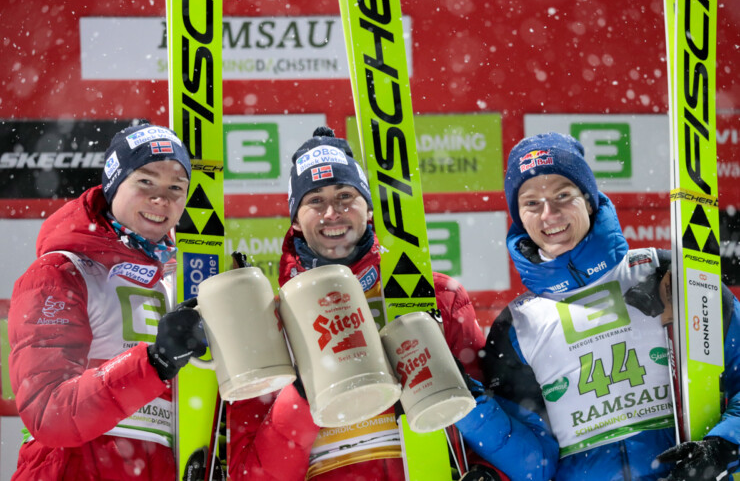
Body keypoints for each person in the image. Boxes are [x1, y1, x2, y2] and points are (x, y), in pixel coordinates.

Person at [454, 132, 740, 481]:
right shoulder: (517, 325)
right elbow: (535, 465)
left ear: (588, 200)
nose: (549, 213)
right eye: (531, 203)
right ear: (519, 216)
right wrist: (469, 409)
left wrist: (721, 447)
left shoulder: (667, 273)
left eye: (563, 195)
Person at [226, 126, 500, 480]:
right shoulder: (270, 325)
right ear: (295, 221)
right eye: (315, 201)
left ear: (368, 209)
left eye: (345, 196)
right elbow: (250, 473)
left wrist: (488, 473)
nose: (332, 213)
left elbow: (491, 414)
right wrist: (303, 396)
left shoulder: (434, 295)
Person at [8, 123, 208, 480]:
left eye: (176, 188)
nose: (161, 199)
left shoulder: (177, 284)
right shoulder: (60, 273)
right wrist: (154, 362)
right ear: (114, 184)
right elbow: (47, 412)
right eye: (145, 182)